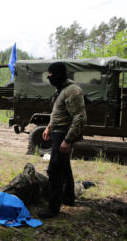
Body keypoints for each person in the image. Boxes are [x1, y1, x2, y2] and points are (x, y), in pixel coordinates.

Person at [38, 62, 87, 218]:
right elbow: (58, 113)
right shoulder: (61, 90)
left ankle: (53, 208)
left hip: (64, 135)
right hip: (57, 133)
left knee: (54, 170)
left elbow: (80, 118)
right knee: (64, 167)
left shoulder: (72, 90)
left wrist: (68, 140)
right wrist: (48, 127)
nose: (49, 77)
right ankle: (68, 197)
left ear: (59, 74)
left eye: (51, 74)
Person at [0, 163, 95, 206]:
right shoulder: (16, 197)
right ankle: (81, 185)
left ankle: (81, 184)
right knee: (68, 192)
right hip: (45, 185)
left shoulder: (21, 184)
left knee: (68, 190)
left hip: (44, 179)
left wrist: (28, 177)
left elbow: (29, 166)